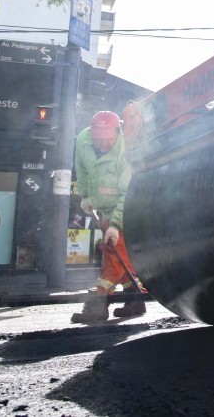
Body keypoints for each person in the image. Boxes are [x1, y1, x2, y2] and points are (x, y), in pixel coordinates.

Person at [70, 110, 145, 323]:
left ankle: (98, 305)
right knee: (122, 259)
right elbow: (82, 170)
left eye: (108, 140)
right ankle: (135, 299)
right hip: (104, 209)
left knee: (112, 257)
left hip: (125, 211)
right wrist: (85, 195)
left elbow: (127, 193)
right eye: (98, 140)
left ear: (117, 132)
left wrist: (115, 225)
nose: (103, 144)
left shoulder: (126, 150)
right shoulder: (84, 140)